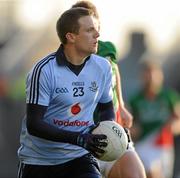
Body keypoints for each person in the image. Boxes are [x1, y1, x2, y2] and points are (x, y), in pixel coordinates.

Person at [17, 7, 117, 178]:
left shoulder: (103, 67)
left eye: (96, 29)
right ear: (71, 37)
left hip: (80, 157)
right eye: (89, 30)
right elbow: (34, 124)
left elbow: (106, 108)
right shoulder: (44, 70)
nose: (97, 35)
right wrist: (78, 138)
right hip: (39, 161)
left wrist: (109, 129)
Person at [72, 1, 146, 178]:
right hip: (83, 141)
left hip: (114, 132)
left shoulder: (108, 49)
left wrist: (121, 105)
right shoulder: (65, 58)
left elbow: (114, 72)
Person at [129, 59, 180, 178]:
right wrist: (133, 130)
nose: (151, 78)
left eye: (154, 74)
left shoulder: (169, 96)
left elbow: (178, 120)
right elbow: (130, 125)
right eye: (147, 74)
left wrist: (173, 127)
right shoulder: (135, 99)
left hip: (164, 145)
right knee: (151, 173)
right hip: (144, 144)